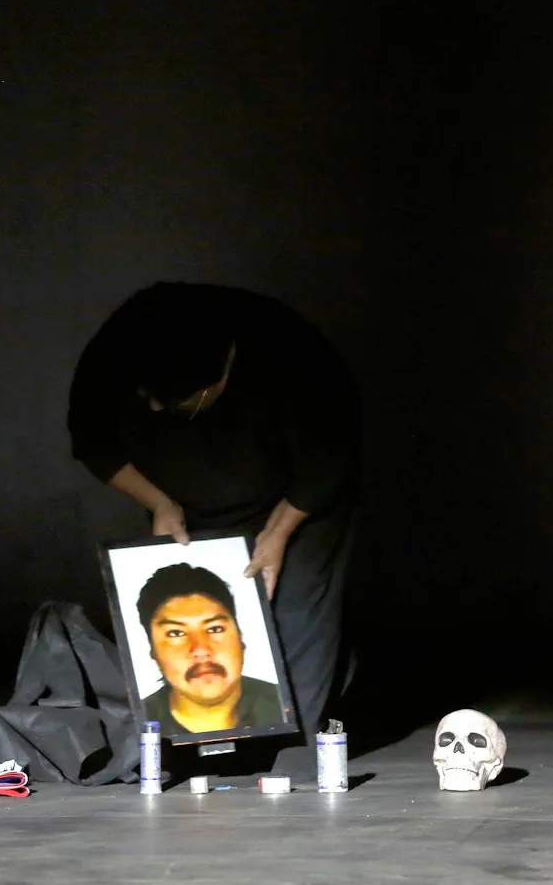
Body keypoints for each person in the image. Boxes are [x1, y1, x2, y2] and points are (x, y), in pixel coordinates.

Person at [69, 282, 361, 772]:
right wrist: (160, 504)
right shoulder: (122, 344)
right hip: (185, 497)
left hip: (294, 495)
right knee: (189, 601)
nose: (158, 410)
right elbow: (91, 439)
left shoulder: (294, 358)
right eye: (150, 399)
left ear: (220, 377)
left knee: (295, 605)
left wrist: (280, 532)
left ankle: (292, 743)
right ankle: (199, 747)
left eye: (178, 402)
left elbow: (331, 456)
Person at [135, 563, 288, 734]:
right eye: (176, 633)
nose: (200, 650)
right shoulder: (135, 727)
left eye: (215, 629)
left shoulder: (288, 706)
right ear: (153, 651)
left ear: (241, 638)